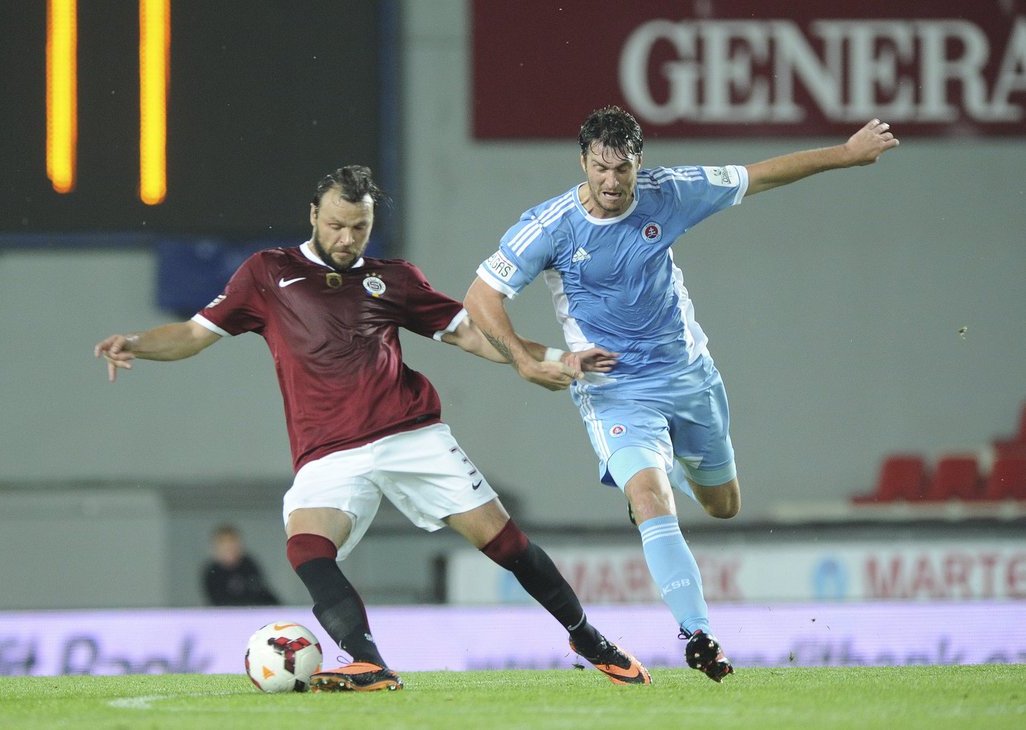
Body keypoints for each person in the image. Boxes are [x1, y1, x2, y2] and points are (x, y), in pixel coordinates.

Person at [94, 165, 650, 692]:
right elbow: (193, 335)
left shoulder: (394, 279)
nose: (346, 237)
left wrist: (557, 356)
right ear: (313, 214)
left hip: (410, 434)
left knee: (504, 543)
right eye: (335, 224)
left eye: (358, 227)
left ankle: (590, 640)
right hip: (328, 452)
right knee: (306, 546)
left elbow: (472, 335)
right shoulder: (267, 274)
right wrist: (137, 343)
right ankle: (369, 661)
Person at [463, 106, 900, 683]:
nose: (612, 182)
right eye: (601, 169)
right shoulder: (550, 226)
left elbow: (761, 174)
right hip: (614, 388)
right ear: (583, 163)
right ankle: (698, 634)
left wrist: (846, 154)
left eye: (623, 169)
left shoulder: (672, 192)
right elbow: (480, 297)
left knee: (723, 506)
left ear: (640, 164)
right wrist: (523, 361)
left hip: (689, 375)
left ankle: (671, 470)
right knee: (649, 496)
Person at [202, 524, 280, 606]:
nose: (229, 548)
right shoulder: (212, 573)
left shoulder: (249, 565)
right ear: (216, 548)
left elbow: (262, 593)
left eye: (232, 544)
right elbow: (217, 601)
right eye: (225, 545)